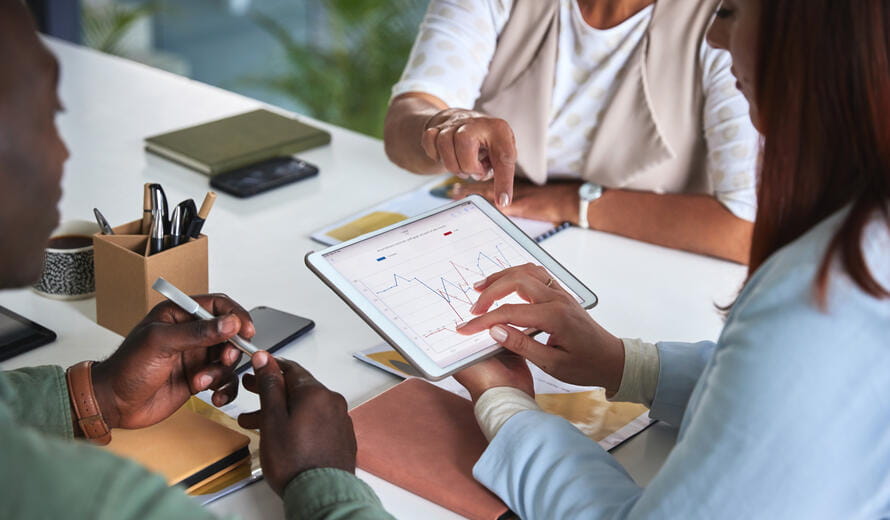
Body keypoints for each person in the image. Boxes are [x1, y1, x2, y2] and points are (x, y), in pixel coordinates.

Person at [450, 0, 890, 517]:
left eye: (729, 12)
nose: (714, 39)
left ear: (806, 37)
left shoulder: (820, 297)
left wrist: (507, 407)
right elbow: (792, 399)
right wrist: (624, 363)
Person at [0, 3, 393, 518]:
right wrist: (323, 480)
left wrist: (91, 397)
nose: (63, 154)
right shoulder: (81, 497)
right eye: (47, 117)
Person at [384, 0, 761, 264]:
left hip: (655, 272)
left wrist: (571, 203)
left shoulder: (727, 18)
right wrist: (442, 127)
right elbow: (407, 118)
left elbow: (745, 230)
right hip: (495, 244)